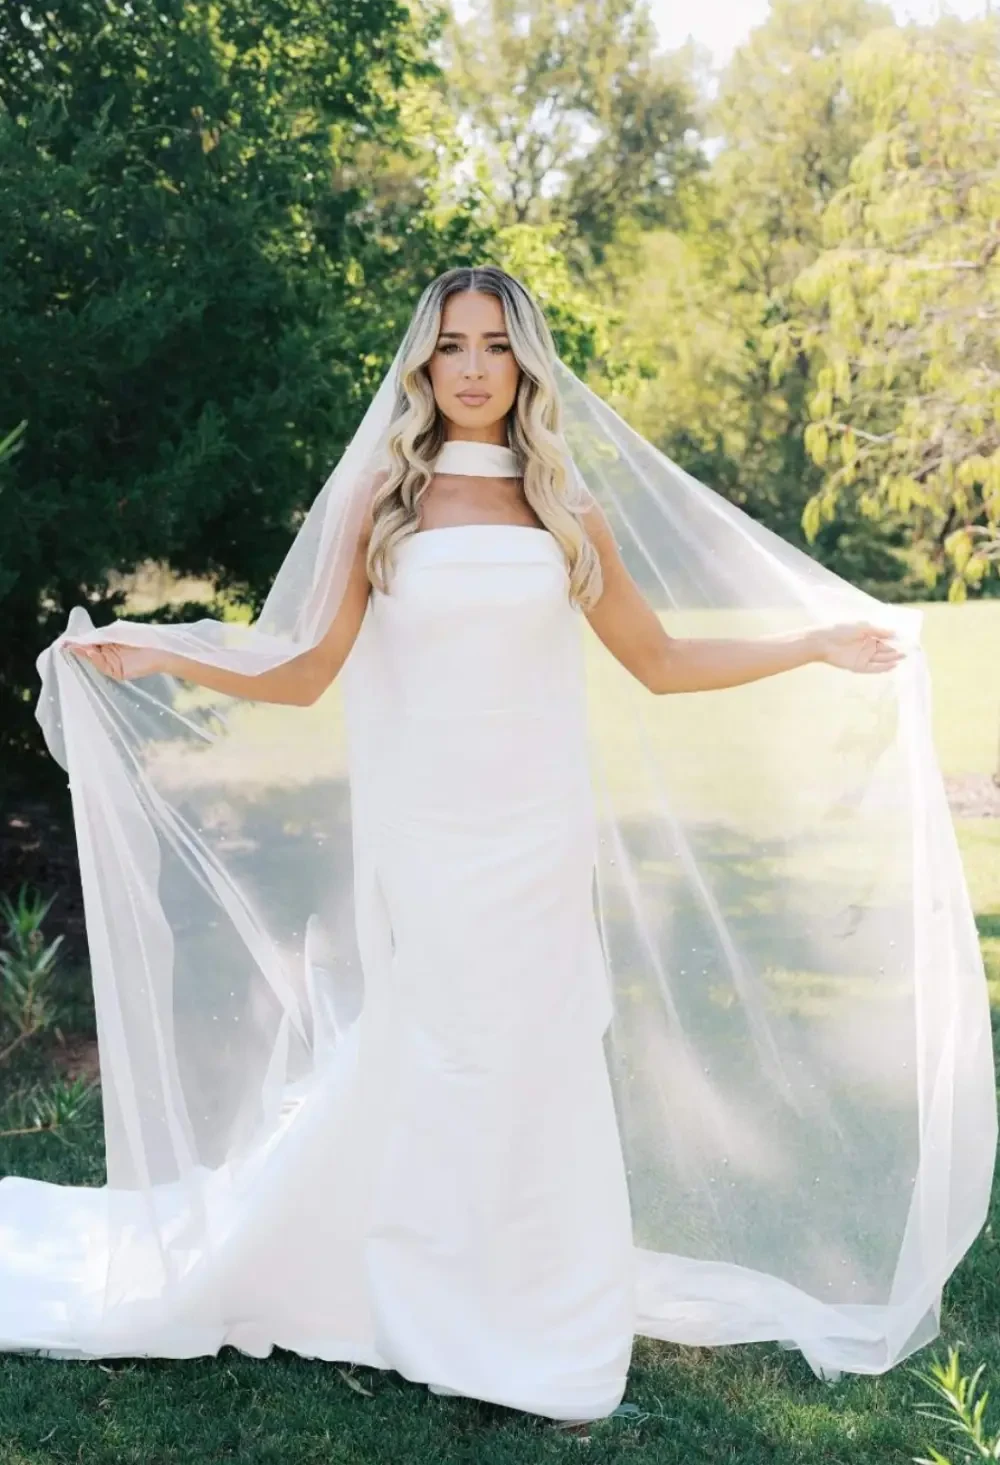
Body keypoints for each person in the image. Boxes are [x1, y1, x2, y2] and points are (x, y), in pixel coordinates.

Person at [1, 267, 993, 1427]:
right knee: (451, 1050)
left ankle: (535, 1306)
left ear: (525, 362)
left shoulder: (564, 501)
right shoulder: (387, 495)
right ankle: (422, 1286)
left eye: (494, 345)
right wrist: (165, 651)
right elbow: (305, 667)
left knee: (538, 1052)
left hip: (534, 830)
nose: (472, 366)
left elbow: (661, 662)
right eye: (451, 346)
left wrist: (813, 643)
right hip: (431, 833)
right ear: (423, 366)